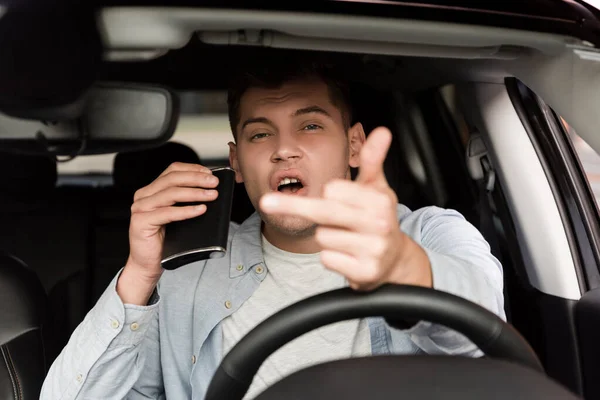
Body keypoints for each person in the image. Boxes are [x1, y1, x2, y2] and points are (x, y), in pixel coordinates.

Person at [41, 58, 505, 400]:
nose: (284, 149)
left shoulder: (429, 233)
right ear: (237, 162)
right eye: (260, 134)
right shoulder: (187, 269)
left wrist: (408, 269)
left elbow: (483, 332)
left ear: (355, 145)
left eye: (310, 126)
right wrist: (139, 274)